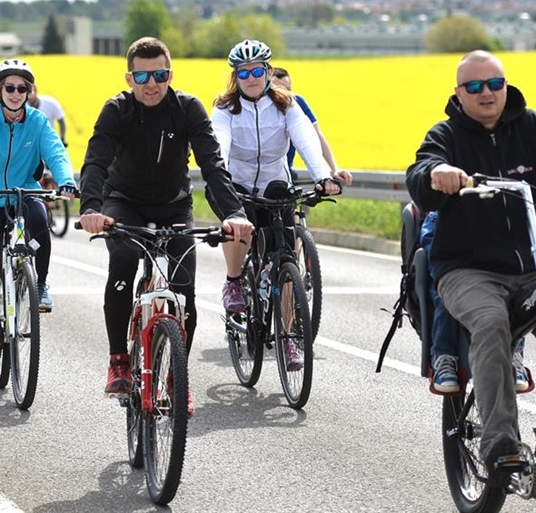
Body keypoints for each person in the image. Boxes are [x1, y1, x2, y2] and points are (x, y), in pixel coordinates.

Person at [405, 50, 536, 485]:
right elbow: (422, 170)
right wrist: (438, 173)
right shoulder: (447, 134)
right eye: (475, 87)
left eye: (495, 84)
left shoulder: (534, 128)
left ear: (506, 86)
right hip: (468, 269)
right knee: (490, 320)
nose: (487, 94)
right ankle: (499, 442)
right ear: (459, 93)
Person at [78, 37, 254, 414]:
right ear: (129, 78)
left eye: (159, 74)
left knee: (184, 290)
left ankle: (177, 379)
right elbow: (95, 161)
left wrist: (233, 213)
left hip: (174, 205)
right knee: (123, 261)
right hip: (123, 203)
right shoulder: (116, 110)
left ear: (170, 74)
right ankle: (118, 362)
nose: (151, 84)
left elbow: (212, 165)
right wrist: (91, 207)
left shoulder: (188, 109)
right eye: (142, 76)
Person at [210, 40, 341, 353]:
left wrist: (323, 176)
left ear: (268, 71)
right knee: (237, 227)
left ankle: (289, 339)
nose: (251, 77)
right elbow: (220, 142)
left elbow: (306, 140)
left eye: (257, 70)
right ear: (235, 77)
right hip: (238, 184)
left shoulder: (286, 104)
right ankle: (234, 280)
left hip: (275, 184)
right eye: (244, 73)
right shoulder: (225, 107)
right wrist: (222, 174)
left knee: (286, 260)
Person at [0, 59, 77, 375]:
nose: (16, 93)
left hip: (25, 192)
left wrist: (66, 179)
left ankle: (42, 283)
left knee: (39, 220)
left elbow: (55, 153)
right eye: (10, 87)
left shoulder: (37, 122)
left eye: (22, 88)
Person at [421, 210, 529, 395]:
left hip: (489, 224)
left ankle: (514, 355)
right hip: (445, 225)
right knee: (444, 292)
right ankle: (443, 355)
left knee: (515, 285)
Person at [271, 67, 353, 187]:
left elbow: (316, 135)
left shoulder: (295, 102)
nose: (285, 94)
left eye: (289, 89)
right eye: (279, 89)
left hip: (285, 177)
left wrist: (334, 168)